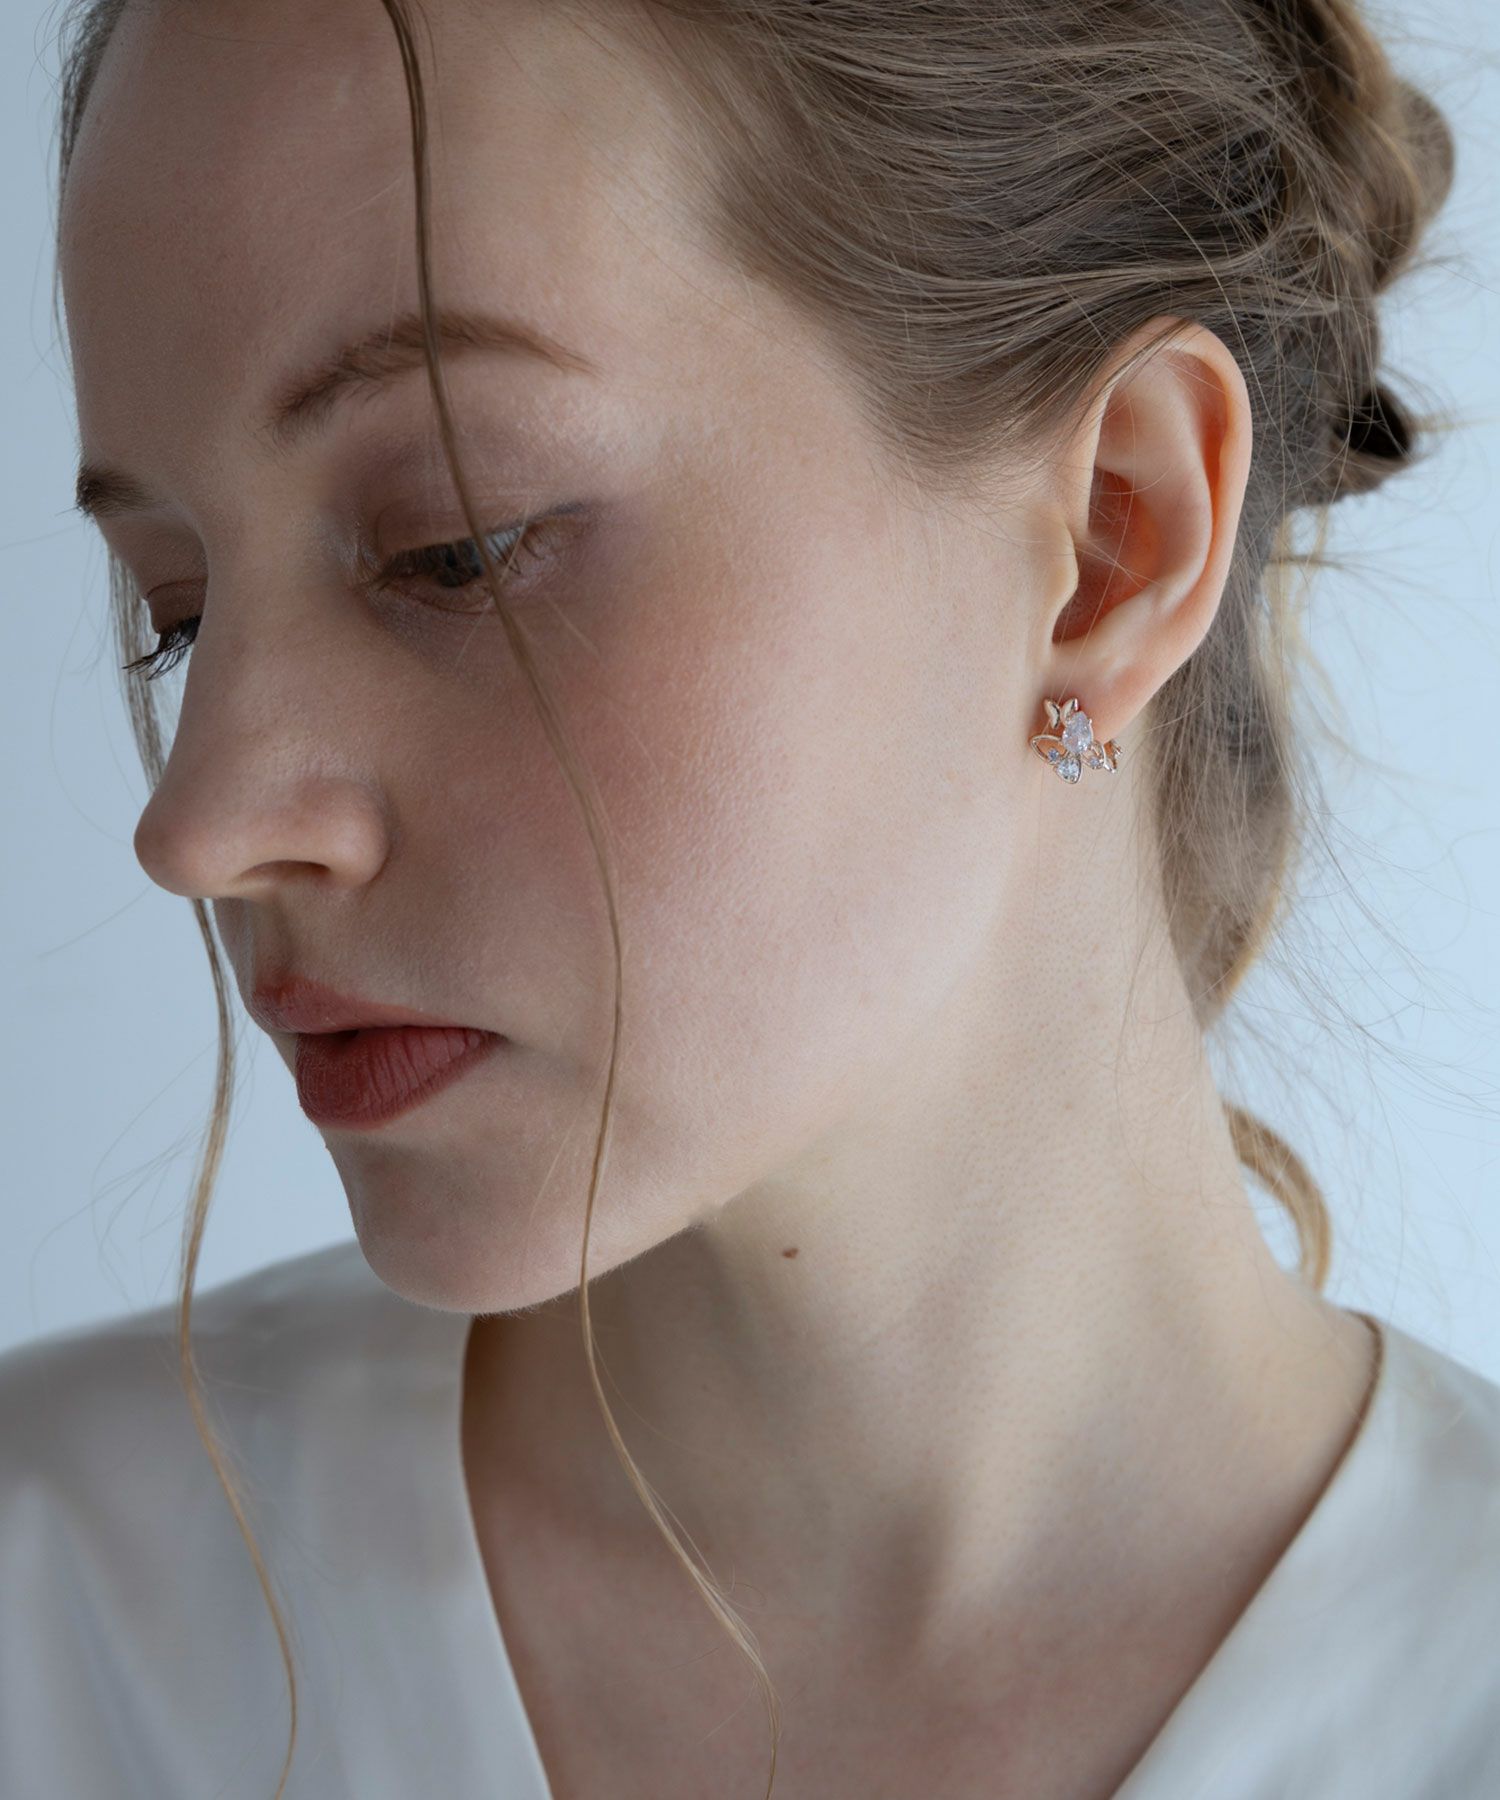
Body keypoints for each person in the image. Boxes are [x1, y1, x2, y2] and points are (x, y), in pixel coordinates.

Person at [3, 0, 1497, 1795]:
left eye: (456, 544)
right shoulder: (50, 1615)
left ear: (1114, 537)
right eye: (177, 613)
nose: (200, 823)